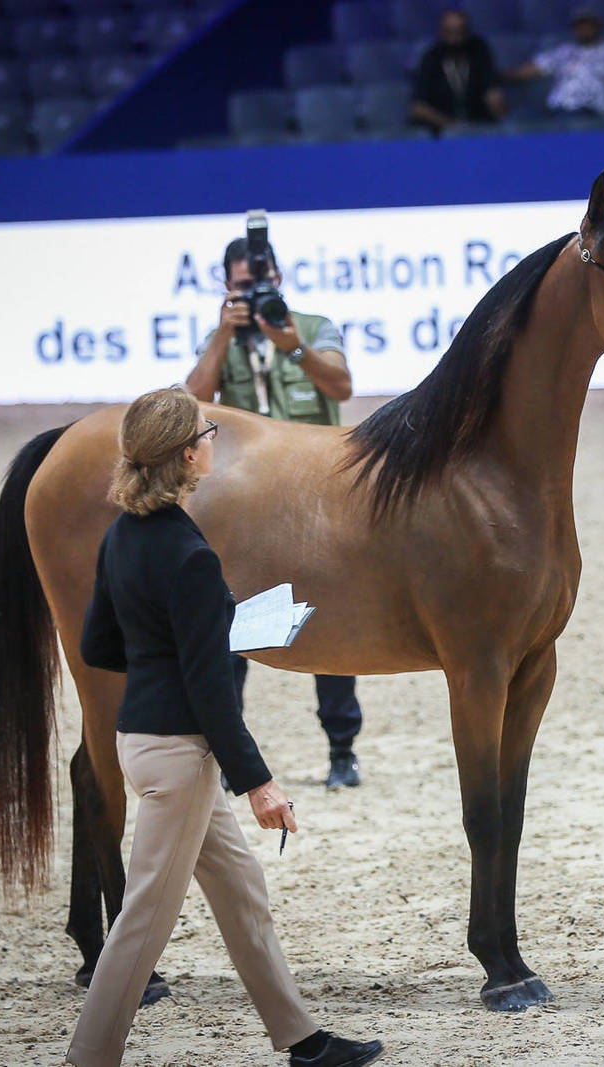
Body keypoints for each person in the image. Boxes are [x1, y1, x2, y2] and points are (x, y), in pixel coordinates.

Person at [68, 387, 383, 1067]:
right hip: (180, 757)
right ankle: (88, 1058)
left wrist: (178, 643)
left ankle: (303, 1039)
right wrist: (261, 783)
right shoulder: (191, 556)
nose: (213, 439)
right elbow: (213, 695)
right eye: (207, 433)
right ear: (187, 454)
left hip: (143, 738)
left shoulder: (122, 534)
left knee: (242, 894)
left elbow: (100, 644)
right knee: (142, 923)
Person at [185, 235, 366, 790]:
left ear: (281, 278)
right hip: (245, 502)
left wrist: (289, 345)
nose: (254, 294)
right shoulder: (222, 337)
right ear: (225, 286)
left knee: (329, 614)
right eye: (242, 285)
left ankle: (342, 749)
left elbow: (341, 384)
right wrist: (222, 334)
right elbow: (189, 402)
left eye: (261, 284)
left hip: (317, 493)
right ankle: (222, 746)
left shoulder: (311, 326)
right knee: (226, 614)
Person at [409, 7, 506, 134]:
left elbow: (492, 88)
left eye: (460, 32)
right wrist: (452, 126)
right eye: (450, 32)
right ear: (441, 33)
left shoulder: (479, 50)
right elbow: (418, 108)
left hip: (477, 123)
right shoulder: (431, 58)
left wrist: (495, 98)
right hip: (442, 127)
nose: (455, 39)